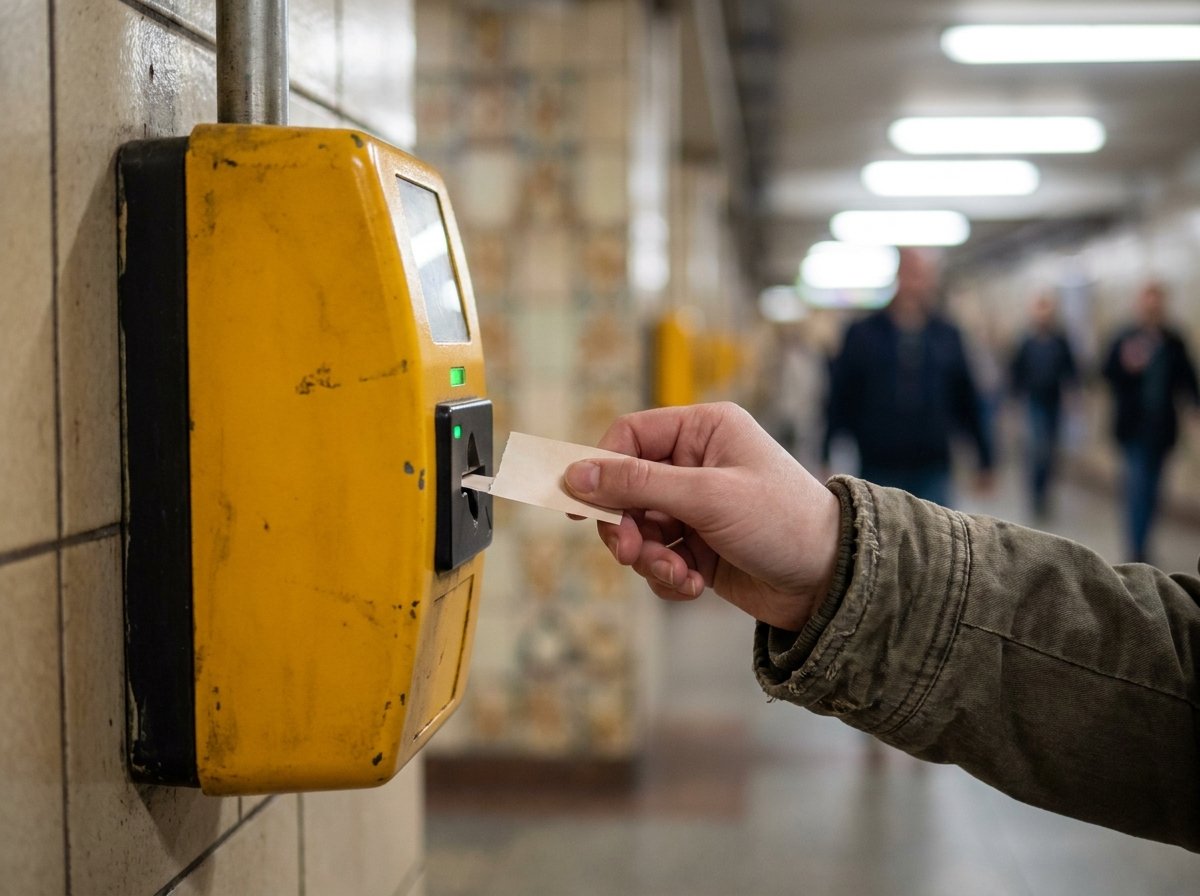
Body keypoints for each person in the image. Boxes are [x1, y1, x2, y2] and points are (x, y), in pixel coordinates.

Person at [563, 401, 1200, 852]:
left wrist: (840, 552)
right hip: (880, 458)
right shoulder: (873, 335)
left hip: (925, 462)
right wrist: (830, 558)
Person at [823, 247, 993, 506]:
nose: (917, 283)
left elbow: (966, 398)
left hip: (933, 464)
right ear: (899, 275)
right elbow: (840, 396)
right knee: (881, 540)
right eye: (911, 273)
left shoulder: (946, 336)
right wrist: (826, 451)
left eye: (924, 275)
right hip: (878, 464)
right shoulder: (863, 335)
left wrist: (985, 457)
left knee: (937, 542)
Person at [1102, 282, 1200, 563]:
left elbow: (1187, 376)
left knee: (1154, 489)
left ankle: (1143, 540)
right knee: (1137, 486)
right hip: (1133, 427)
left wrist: (1195, 405)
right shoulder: (1124, 337)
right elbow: (1105, 372)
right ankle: (1137, 547)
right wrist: (1126, 366)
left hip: (1162, 428)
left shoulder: (1173, 339)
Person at [1008, 292, 1079, 519]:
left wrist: (1073, 394)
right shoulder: (1026, 341)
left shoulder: (1060, 341)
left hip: (1054, 402)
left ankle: (1045, 493)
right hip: (1033, 401)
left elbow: (1071, 370)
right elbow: (1016, 372)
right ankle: (1036, 496)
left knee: (1049, 452)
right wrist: (1014, 399)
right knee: (1037, 449)